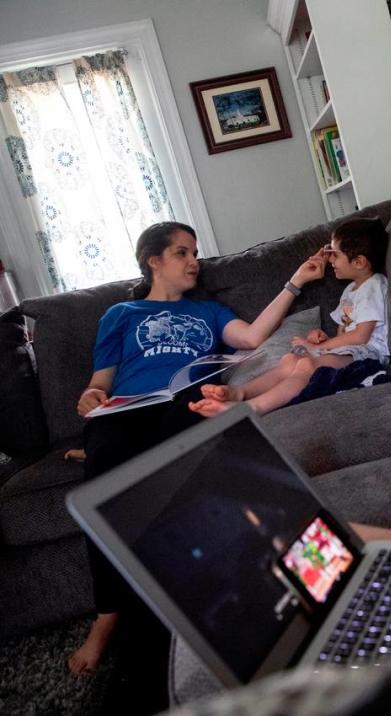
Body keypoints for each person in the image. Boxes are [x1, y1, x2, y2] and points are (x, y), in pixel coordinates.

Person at [68, 221, 325, 698]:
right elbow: (100, 381)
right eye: (182, 252)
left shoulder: (208, 311)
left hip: (184, 401)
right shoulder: (120, 313)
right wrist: (90, 396)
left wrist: (297, 281)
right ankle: (108, 617)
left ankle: (192, 603)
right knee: (102, 477)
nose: (194, 262)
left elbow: (249, 339)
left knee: (182, 455)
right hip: (128, 409)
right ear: (154, 261)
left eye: (195, 252)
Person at [187, 217, 390, 417]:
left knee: (306, 365)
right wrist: (324, 339)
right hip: (348, 352)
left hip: (368, 354)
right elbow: (345, 331)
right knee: (290, 359)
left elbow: (361, 336)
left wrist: (320, 348)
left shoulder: (373, 286)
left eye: (335, 254)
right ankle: (240, 392)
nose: (329, 260)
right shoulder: (350, 290)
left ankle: (252, 408)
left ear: (359, 262)